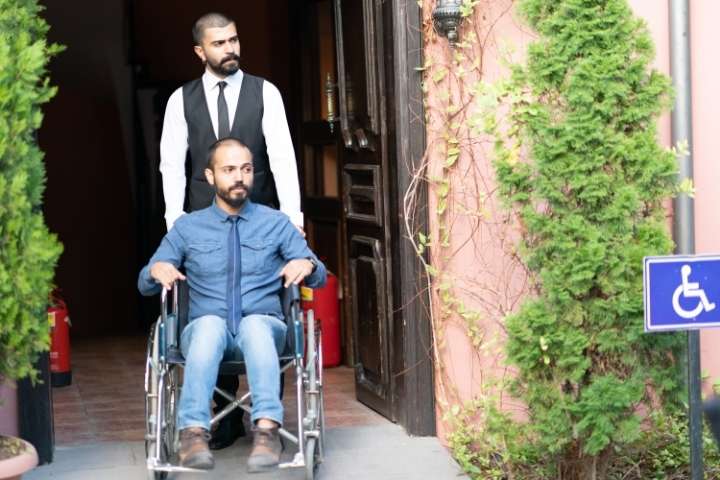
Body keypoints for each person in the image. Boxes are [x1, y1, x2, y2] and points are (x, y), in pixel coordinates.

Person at [159, 11, 304, 449]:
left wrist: (293, 219)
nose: (231, 50)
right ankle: (220, 422)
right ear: (200, 51)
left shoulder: (266, 93)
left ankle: (265, 422)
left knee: (261, 308)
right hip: (203, 224)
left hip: (259, 220)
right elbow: (171, 163)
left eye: (234, 41)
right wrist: (175, 224)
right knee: (212, 310)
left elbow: (282, 157)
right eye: (220, 44)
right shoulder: (180, 100)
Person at [138, 138, 326, 472]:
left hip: (265, 328)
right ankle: (193, 433)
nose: (239, 177)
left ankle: (267, 431)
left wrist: (307, 266)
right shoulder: (187, 228)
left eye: (246, 169)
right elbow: (145, 281)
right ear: (210, 177)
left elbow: (318, 273)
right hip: (204, 333)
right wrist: (157, 269)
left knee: (255, 325)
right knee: (209, 326)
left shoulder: (276, 223)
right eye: (229, 170)